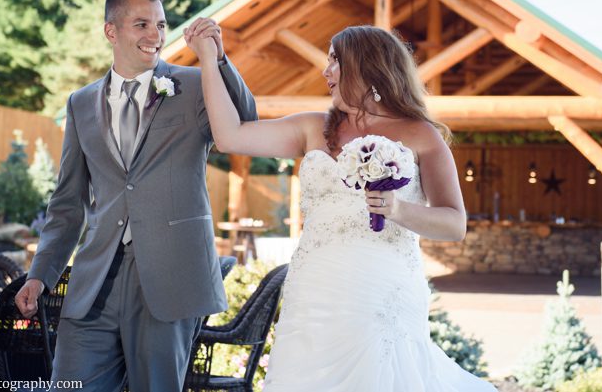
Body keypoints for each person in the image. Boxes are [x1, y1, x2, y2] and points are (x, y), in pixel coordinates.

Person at [183, 22, 495, 391]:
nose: (324, 71)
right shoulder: (313, 128)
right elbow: (230, 135)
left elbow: (454, 224)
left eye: (335, 61)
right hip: (314, 291)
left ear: (367, 67)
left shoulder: (420, 135)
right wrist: (210, 57)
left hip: (382, 291)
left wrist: (397, 209)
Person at [15, 0, 257, 391]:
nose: (155, 36)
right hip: (95, 281)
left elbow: (245, 120)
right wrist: (40, 275)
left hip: (170, 277)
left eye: (161, 25)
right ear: (111, 31)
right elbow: (68, 203)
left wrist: (217, 57)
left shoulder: (196, 85)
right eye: (142, 24)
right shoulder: (80, 104)